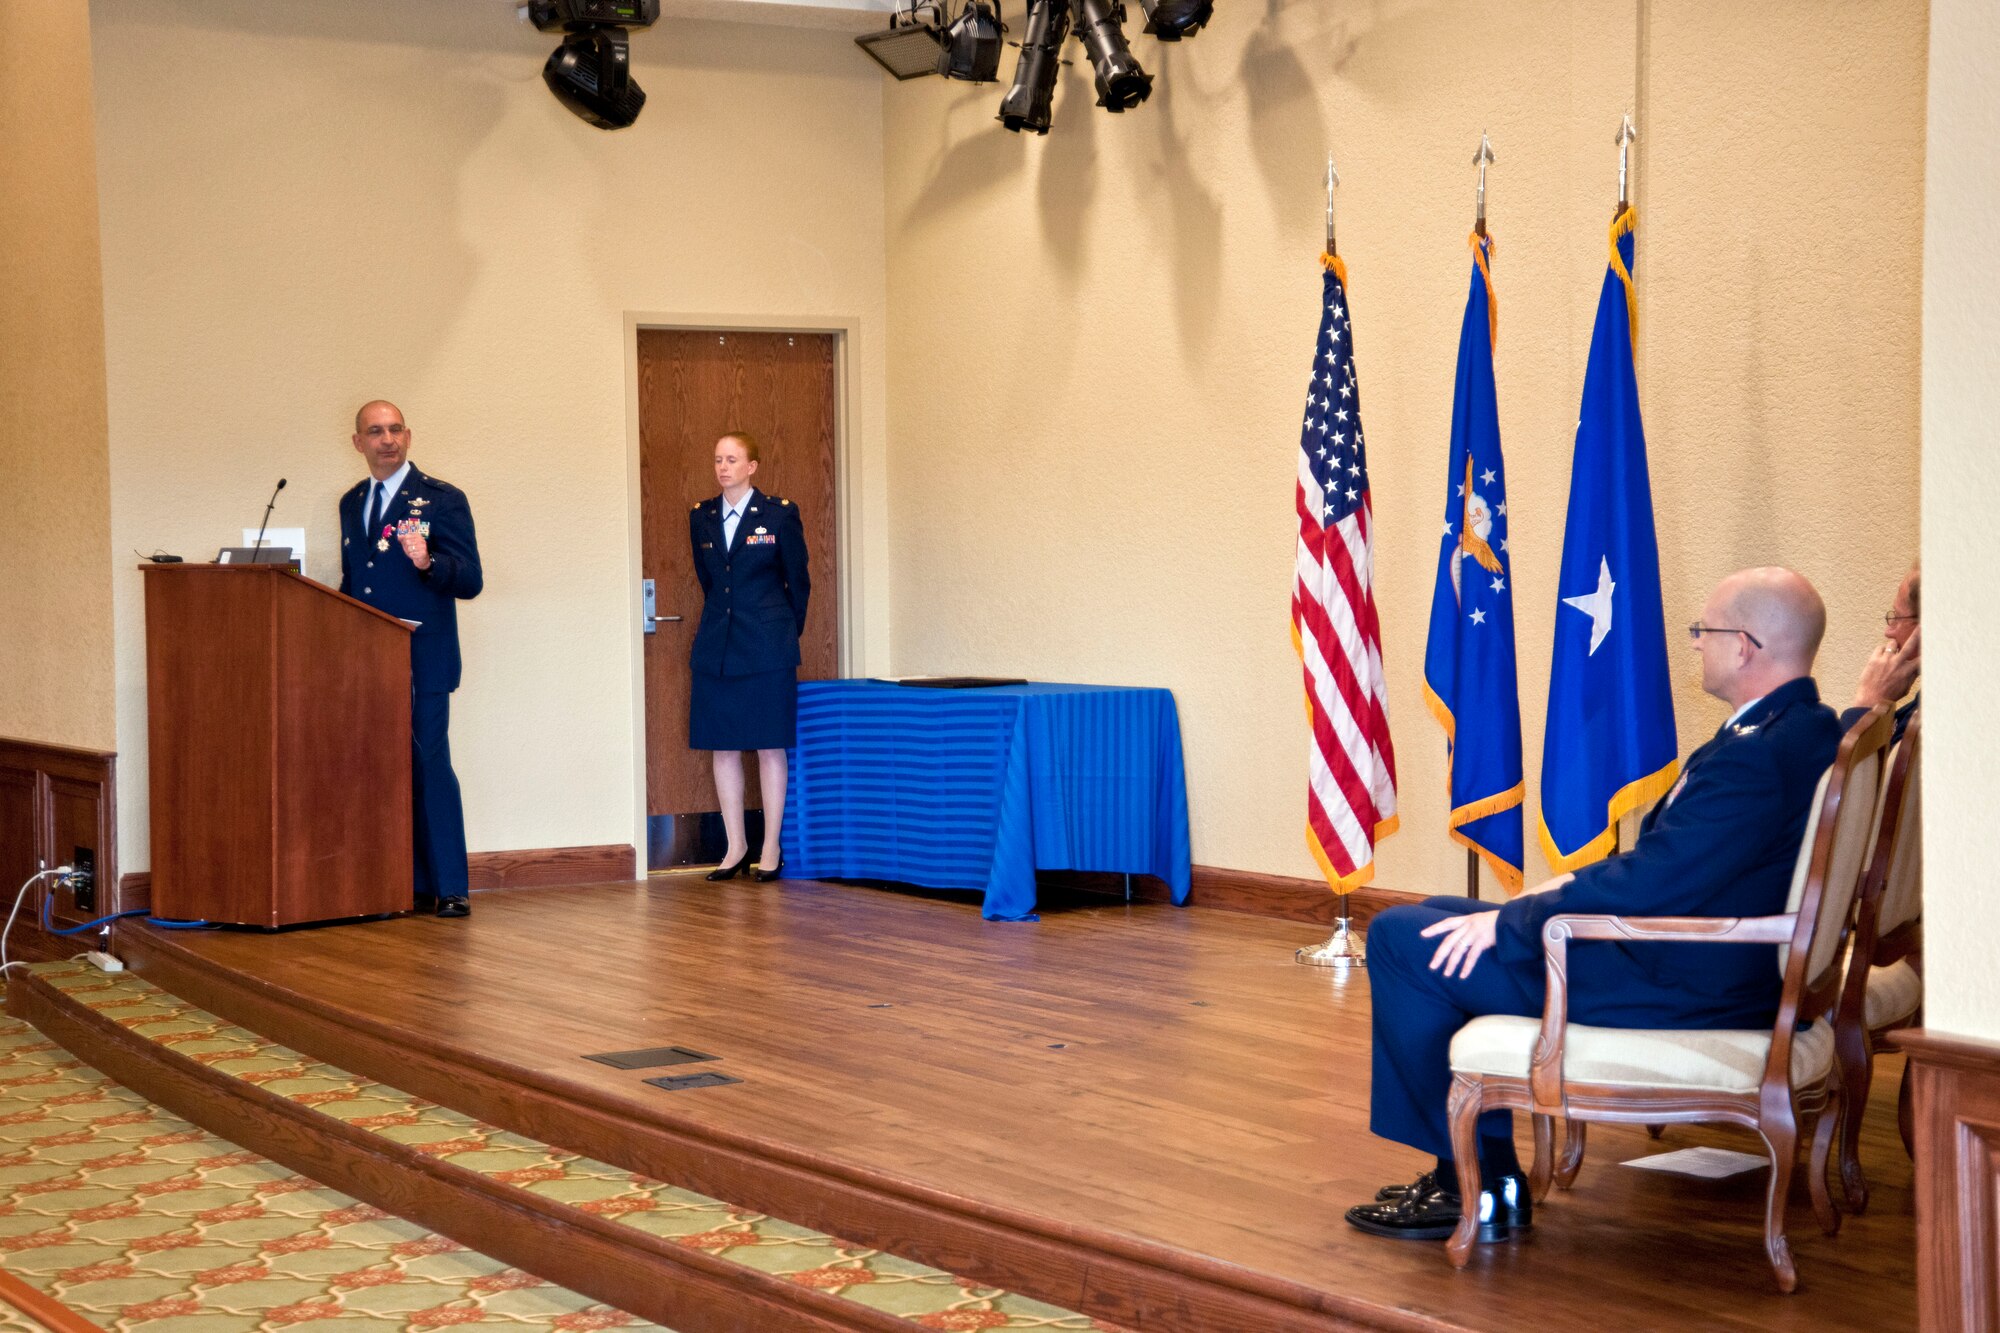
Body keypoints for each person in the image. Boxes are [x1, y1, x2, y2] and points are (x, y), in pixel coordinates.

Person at [1346, 566, 1842, 1243]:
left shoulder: (1759, 756)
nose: (1695, 642)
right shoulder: (1810, 727)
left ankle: (1474, 1186)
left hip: (1682, 976)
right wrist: (1553, 891)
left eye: (1705, 630)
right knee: (1438, 912)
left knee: (1404, 938)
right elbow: (1679, 865)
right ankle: (1487, 1178)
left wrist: (1512, 919)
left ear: (1747, 646)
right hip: (1705, 955)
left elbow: (1656, 882)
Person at [339, 400, 484, 918]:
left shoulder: (441, 499)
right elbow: (355, 584)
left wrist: (429, 562)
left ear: (409, 436)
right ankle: (398, 883)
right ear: (358, 442)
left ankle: (449, 885)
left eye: (395, 429)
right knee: (380, 766)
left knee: (428, 761)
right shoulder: (352, 502)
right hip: (371, 658)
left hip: (424, 654)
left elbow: (470, 580)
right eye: (375, 431)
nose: (387, 439)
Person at [687, 430, 809, 882]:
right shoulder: (701, 516)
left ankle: (771, 847)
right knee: (723, 747)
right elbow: (710, 580)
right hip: (718, 645)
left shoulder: (779, 515)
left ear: (752, 466)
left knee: (769, 746)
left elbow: (799, 582)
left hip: (767, 646)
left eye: (732, 459)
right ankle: (736, 846)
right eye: (718, 459)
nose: (723, 467)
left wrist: (780, 631)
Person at [1842, 562, 1919, 742]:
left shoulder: (1923, 723)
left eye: (1897, 617)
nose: (1888, 632)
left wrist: (1868, 702)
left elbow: (1849, 770)